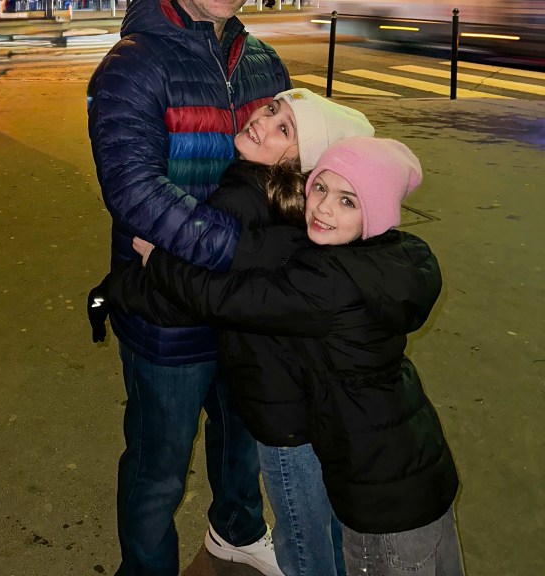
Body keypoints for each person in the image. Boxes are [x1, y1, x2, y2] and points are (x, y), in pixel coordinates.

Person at [105, 137, 464, 576]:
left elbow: (226, 299)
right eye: (320, 188)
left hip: (380, 497)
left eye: (347, 200)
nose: (323, 208)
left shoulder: (329, 283)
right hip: (421, 466)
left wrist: (159, 260)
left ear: (376, 214)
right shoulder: (395, 256)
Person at [90, 89, 375, 576]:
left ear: (301, 161)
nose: (262, 122)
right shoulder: (286, 203)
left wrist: (118, 289)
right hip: (244, 357)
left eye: (284, 128)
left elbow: (185, 295)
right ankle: (233, 531)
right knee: (219, 451)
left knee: (159, 469)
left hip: (200, 348)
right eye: (271, 110)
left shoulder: (244, 197)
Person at [87, 0, 290, 576]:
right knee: (158, 465)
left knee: (242, 441)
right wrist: (238, 252)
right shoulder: (134, 63)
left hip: (245, 304)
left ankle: (237, 530)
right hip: (166, 306)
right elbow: (134, 192)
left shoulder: (265, 62)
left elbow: (294, 175)